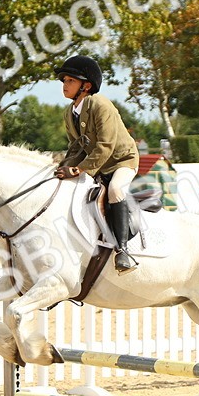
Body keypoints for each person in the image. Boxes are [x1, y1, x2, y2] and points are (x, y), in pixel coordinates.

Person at [53, 55, 141, 273]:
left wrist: (78, 169)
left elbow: (105, 146)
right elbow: (75, 148)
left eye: (70, 81)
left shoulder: (100, 105)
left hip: (122, 161)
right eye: (64, 81)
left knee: (115, 189)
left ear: (86, 86)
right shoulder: (70, 113)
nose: (65, 85)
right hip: (98, 165)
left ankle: (123, 251)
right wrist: (61, 168)